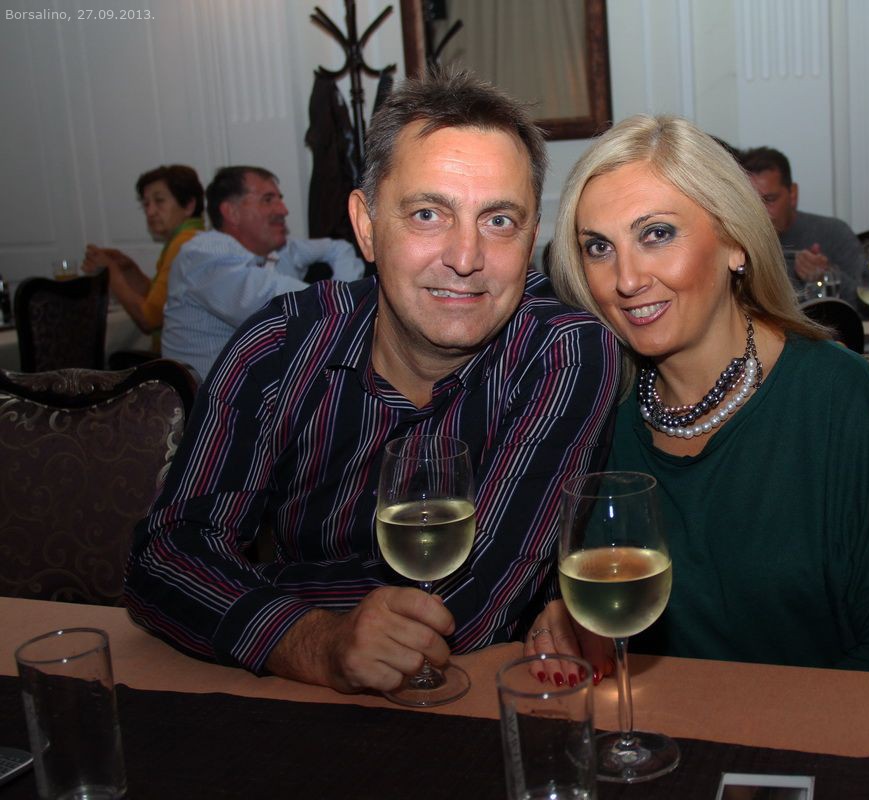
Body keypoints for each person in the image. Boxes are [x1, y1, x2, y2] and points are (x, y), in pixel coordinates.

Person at [124, 70, 622, 696]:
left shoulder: (565, 351)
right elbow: (166, 557)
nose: (466, 258)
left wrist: (250, 592)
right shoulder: (281, 344)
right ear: (366, 226)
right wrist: (312, 639)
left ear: (531, 241)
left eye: (499, 221)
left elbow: (478, 598)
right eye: (427, 214)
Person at [528, 114, 869, 682]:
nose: (626, 279)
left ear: (735, 242)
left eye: (657, 234)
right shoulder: (603, 406)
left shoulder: (832, 394)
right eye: (598, 247)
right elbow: (606, 588)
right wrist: (563, 615)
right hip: (683, 722)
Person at [160, 166, 365, 379]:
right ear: (232, 212)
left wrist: (343, 298)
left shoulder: (278, 248)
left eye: (279, 199)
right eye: (268, 200)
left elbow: (339, 248)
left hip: (261, 389)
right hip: (210, 396)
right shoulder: (203, 255)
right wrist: (344, 302)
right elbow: (295, 308)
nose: (283, 210)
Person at [80, 165, 205, 350]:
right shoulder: (193, 237)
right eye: (146, 204)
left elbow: (148, 319)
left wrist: (110, 273)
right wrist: (128, 270)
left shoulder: (184, 244)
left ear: (188, 205)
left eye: (159, 201)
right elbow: (162, 303)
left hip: (179, 359)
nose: (150, 211)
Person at [739, 146, 865, 303]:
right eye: (751, 202)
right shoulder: (736, 245)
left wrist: (827, 275)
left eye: (769, 200)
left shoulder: (833, 233)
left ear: (793, 194)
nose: (760, 212)